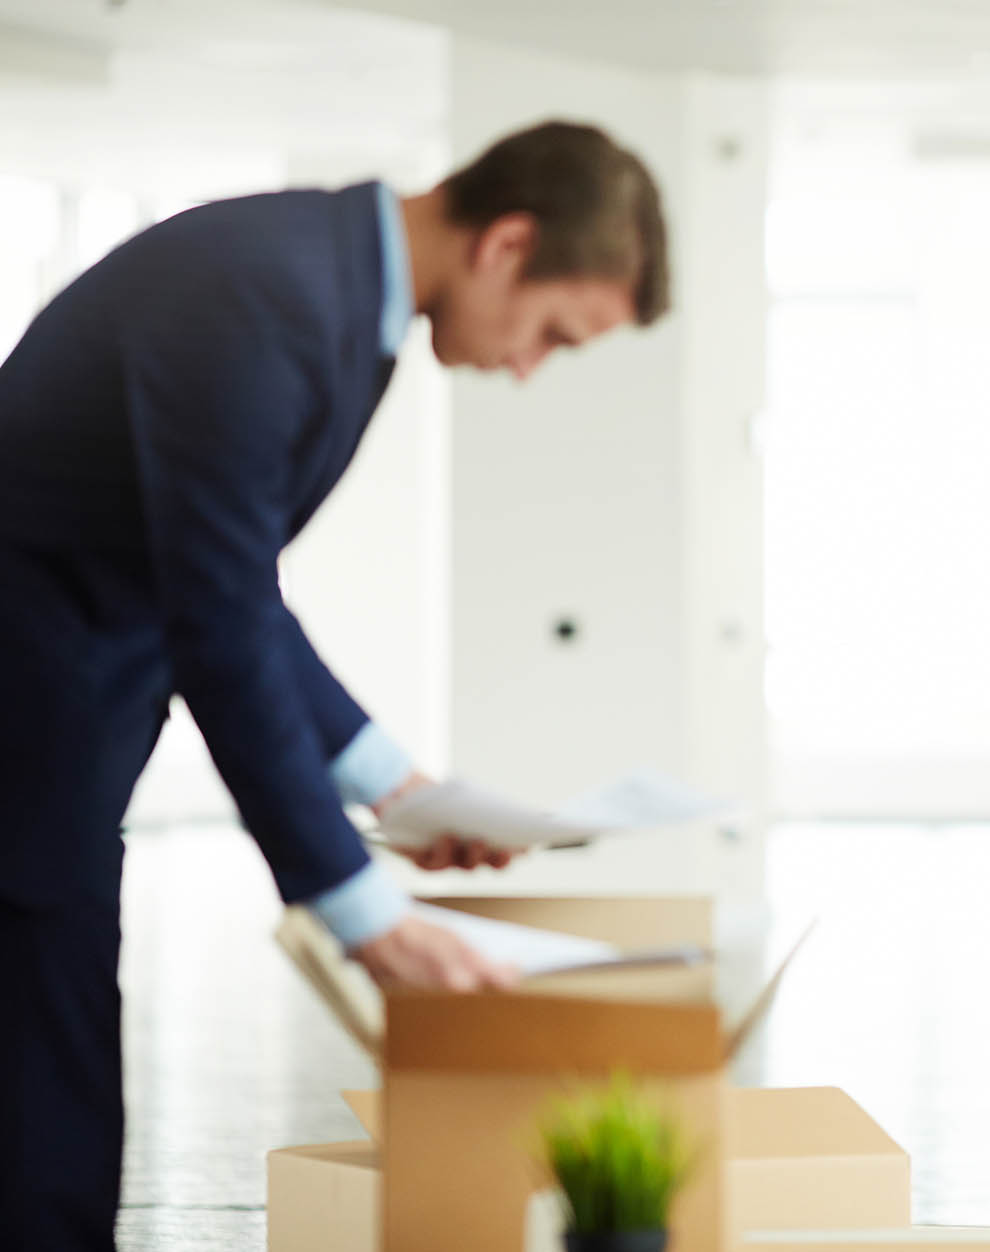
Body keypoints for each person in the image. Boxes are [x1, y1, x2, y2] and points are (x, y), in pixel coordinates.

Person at [0, 120, 670, 1249]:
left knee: (53, 1116)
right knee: (41, 1131)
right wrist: (356, 903)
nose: (525, 366)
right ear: (507, 244)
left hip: (58, 736)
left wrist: (398, 789)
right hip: (27, 735)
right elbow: (217, 620)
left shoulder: (332, 302)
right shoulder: (264, 299)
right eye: (552, 334)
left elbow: (239, 590)